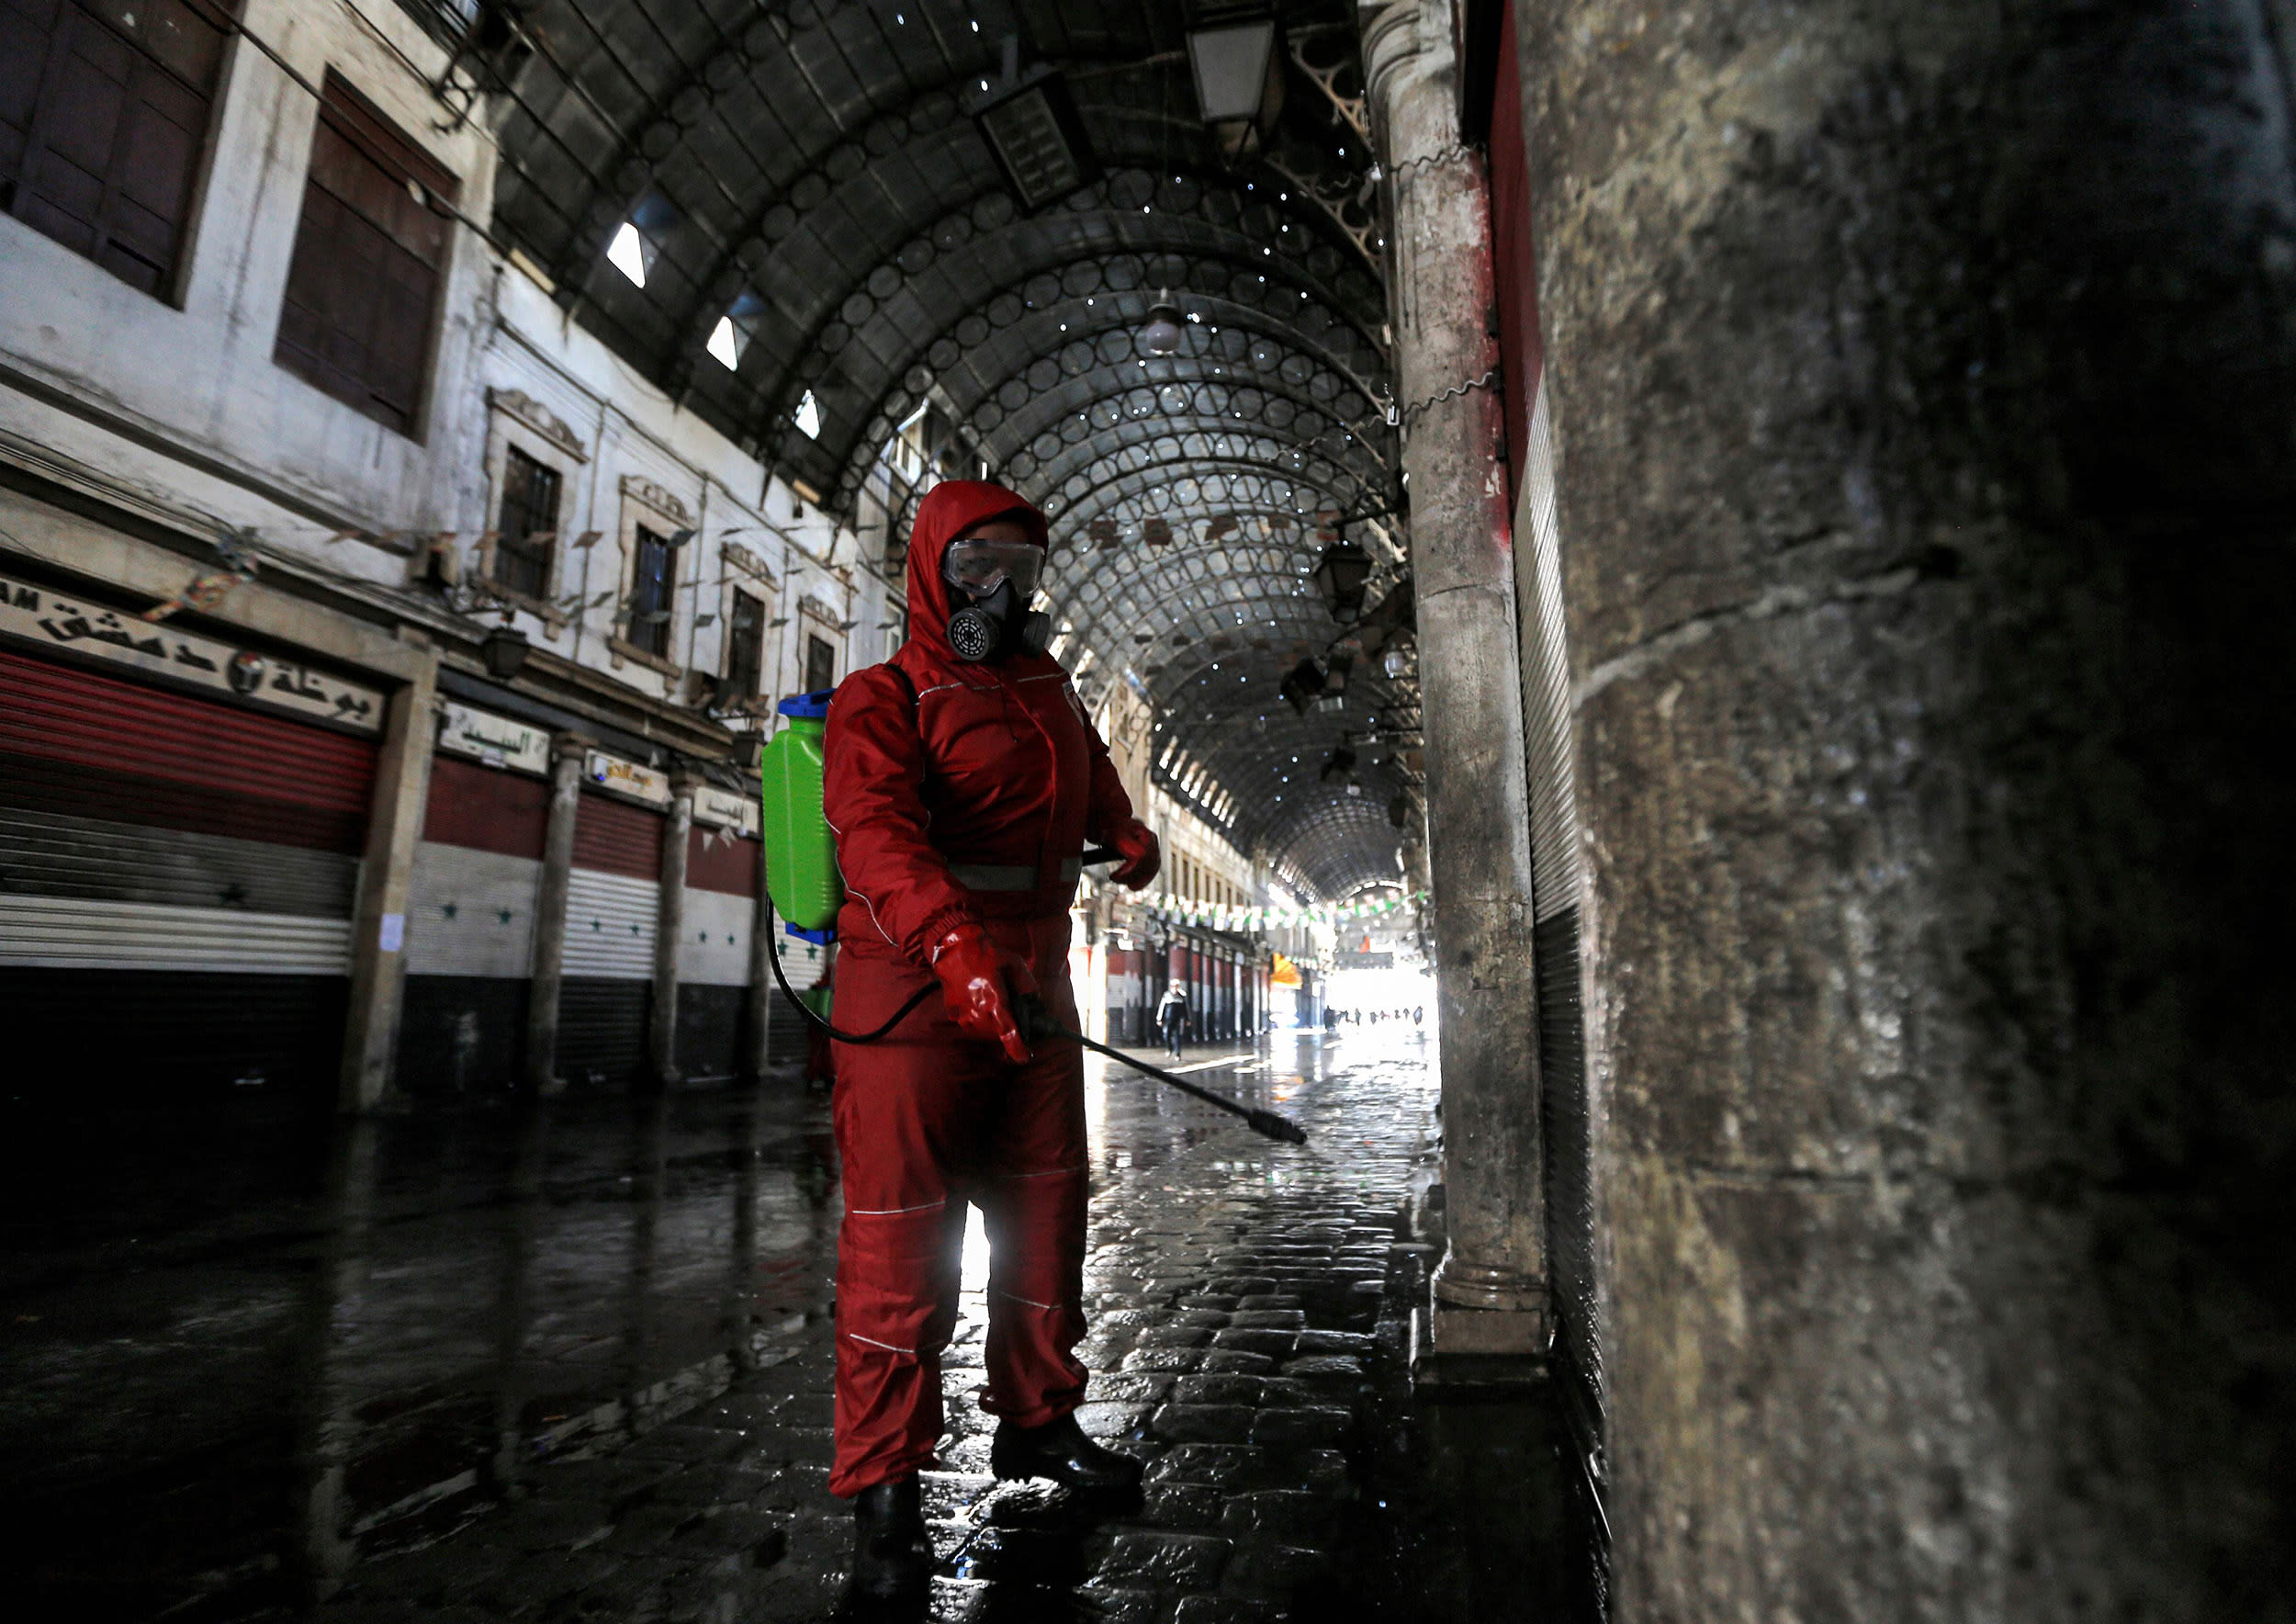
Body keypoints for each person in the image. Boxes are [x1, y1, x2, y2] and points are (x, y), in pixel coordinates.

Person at [821, 480, 1161, 1608]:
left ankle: (1039, 1424)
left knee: (1043, 1205)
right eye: (978, 566)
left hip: (1034, 982)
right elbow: (875, 835)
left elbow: (1089, 777)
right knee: (900, 1237)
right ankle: (886, 1487)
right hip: (909, 993)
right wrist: (952, 946)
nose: (1000, 590)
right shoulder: (884, 696)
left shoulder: (1044, 686)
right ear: (932, 569)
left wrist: (1122, 828)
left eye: (1020, 566)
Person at [1155, 978, 1188, 1059]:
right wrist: (1159, 1019)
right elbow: (1162, 1008)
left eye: (1177, 986)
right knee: (1166, 1035)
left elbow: (1185, 1009)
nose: (1175, 988)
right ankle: (1169, 1049)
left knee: (1177, 1037)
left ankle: (1177, 1054)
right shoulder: (1166, 995)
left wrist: (1187, 1019)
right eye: (1174, 986)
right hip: (1167, 1019)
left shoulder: (1181, 997)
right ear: (1171, 987)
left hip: (1178, 1020)